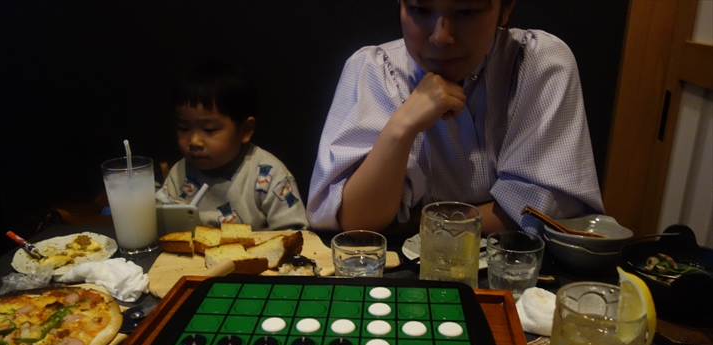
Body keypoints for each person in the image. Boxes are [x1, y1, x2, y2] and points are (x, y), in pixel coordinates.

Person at [307, 0, 604, 236]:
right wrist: (401, 127)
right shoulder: (373, 68)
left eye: (466, 11)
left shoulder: (538, 62)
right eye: (420, 9)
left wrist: (414, 221)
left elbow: (546, 209)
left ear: (505, 8)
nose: (440, 37)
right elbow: (356, 222)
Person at [160, 61, 310, 231]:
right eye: (183, 128)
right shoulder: (179, 173)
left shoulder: (268, 176)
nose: (194, 141)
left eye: (209, 129)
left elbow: (296, 232)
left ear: (245, 130)